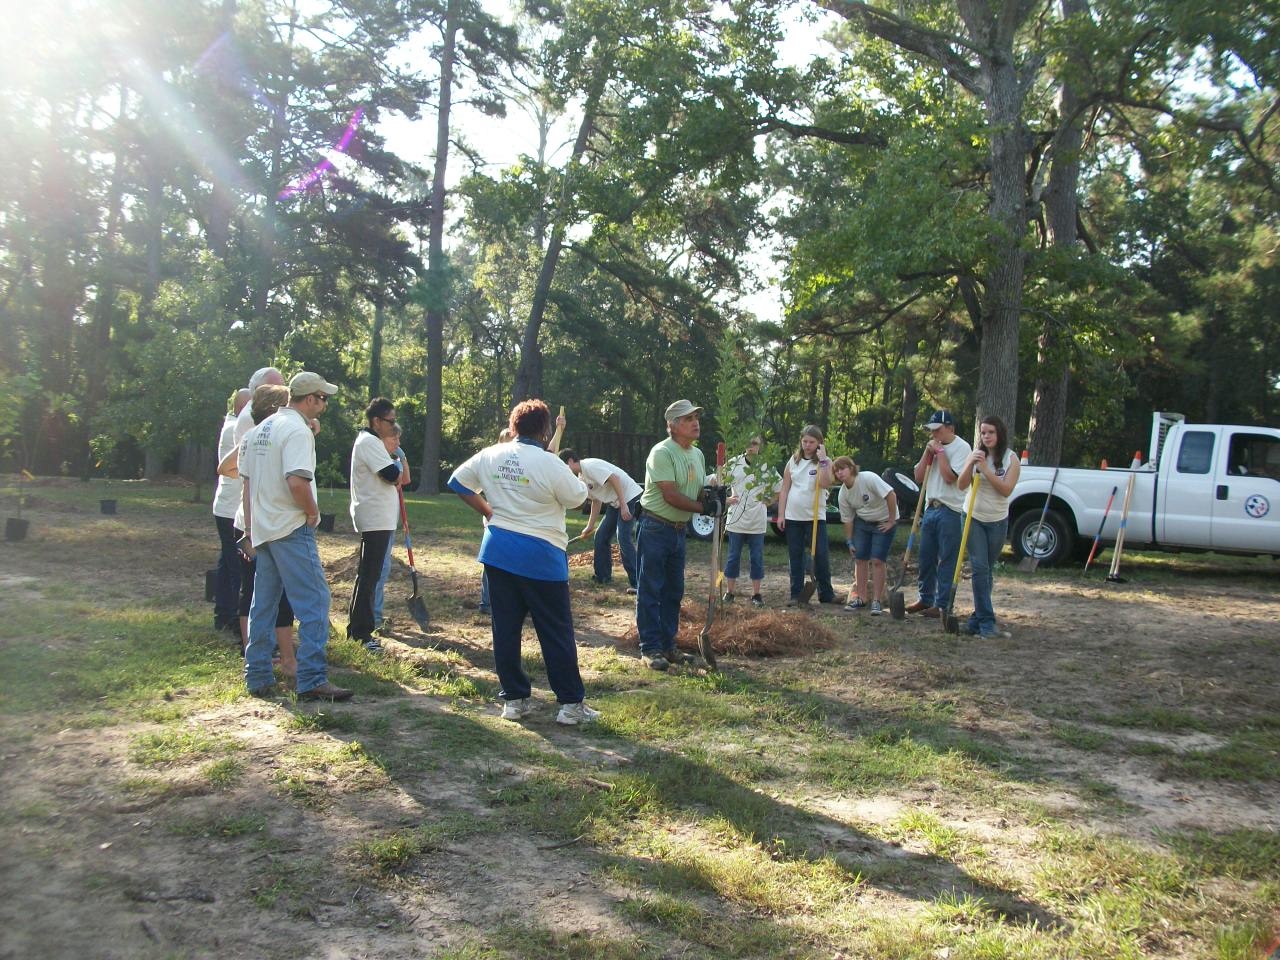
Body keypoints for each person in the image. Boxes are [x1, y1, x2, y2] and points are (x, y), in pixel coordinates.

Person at [448, 400, 600, 726]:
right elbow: (576, 498)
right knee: (555, 631)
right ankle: (571, 705)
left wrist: (489, 511)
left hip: (499, 551)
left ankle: (514, 700)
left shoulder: (490, 454)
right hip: (541, 556)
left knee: (505, 629)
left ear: (513, 425)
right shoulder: (550, 463)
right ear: (545, 430)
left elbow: (457, 482)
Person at [239, 371, 350, 701]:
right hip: (290, 526)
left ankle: (257, 674)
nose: (325, 404)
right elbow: (297, 482)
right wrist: (313, 513)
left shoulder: (258, 431)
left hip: (264, 528)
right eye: (323, 398)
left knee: (264, 605)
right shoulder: (297, 431)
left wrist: (249, 529)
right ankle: (312, 678)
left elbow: (246, 485)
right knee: (315, 601)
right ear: (310, 399)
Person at [218, 384, 297, 679]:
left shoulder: (263, 436)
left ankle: (267, 654)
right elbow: (226, 467)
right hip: (257, 525)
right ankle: (268, 655)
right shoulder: (261, 437)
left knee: (263, 592)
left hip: (259, 523)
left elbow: (230, 468)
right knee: (261, 592)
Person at [635, 399, 718, 671]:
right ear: (672, 425)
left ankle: (668, 645)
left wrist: (713, 497)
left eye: (696, 417)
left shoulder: (697, 454)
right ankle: (650, 648)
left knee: (673, 591)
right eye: (687, 418)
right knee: (651, 588)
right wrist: (703, 508)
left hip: (679, 531)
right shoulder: (662, 452)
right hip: (656, 527)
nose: (695, 423)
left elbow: (695, 491)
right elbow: (670, 495)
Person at [347, 398, 404, 652]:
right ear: (376, 421)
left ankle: (359, 629)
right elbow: (392, 475)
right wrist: (397, 468)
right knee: (369, 577)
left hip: (379, 518)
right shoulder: (370, 442)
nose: (394, 427)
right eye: (390, 421)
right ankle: (360, 632)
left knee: (370, 576)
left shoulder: (372, 441)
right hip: (374, 518)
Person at [957, 414, 1019, 638]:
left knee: (987, 571)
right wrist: (971, 466)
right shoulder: (975, 456)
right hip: (972, 517)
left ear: (999, 433)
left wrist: (986, 470)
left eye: (990, 432)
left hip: (997, 520)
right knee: (980, 567)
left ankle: (975, 619)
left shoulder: (1011, 459)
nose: (986, 436)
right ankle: (986, 622)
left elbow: (1006, 490)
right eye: (983, 432)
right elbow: (961, 485)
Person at [907, 410, 973, 618]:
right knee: (926, 557)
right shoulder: (932, 448)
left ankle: (942, 603)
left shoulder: (962, 448)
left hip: (950, 509)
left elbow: (950, 478)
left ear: (950, 428)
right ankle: (925, 598)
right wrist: (927, 453)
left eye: (938, 430)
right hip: (931, 507)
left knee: (946, 558)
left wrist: (941, 454)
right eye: (932, 431)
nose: (934, 434)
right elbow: (918, 477)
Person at [559, 449, 643, 592]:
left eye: (563, 466)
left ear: (571, 461)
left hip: (629, 498)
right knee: (601, 536)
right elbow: (596, 501)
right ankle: (602, 577)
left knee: (623, 537)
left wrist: (623, 506)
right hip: (615, 503)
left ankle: (639, 583)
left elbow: (615, 478)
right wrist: (589, 526)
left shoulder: (590, 466)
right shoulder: (582, 478)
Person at [775, 425, 836, 605]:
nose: (807, 445)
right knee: (796, 556)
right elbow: (785, 489)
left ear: (819, 443)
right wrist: (781, 514)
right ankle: (796, 594)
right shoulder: (793, 461)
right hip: (793, 517)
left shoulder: (824, 462)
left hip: (815, 517)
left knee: (821, 555)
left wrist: (824, 460)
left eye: (811, 442)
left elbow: (825, 483)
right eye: (805, 442)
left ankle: (826, 594)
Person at [833, 456, 898, 615]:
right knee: (860, 558)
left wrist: (891, 521)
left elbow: (891, 495)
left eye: (843, 469)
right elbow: (847, 519)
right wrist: (849, 541)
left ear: (851, 468)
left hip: (883, 521)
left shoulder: (868, 478)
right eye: (836, 471)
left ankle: (877, 600)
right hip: (863, 523)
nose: (840, 473)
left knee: (877, 560)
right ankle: (861, 598)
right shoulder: (843, 494)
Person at [722, 436, 779, 607]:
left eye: (754, 443)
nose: (751, 447)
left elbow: (779, 487)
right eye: (748, 443)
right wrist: (726, 499)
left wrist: (768, 501)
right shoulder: (734, 463)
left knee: (757, 558)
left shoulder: (766, 466)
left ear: (760, 446)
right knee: (733, 557)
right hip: (736, 520)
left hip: (757, 521)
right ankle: (729, 592)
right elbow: (716, 481)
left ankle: (756, 594)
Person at [211, 387, 250, 634]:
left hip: (227, 505)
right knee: (236, 568)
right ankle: (236, 619)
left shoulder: (234, 426)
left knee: (226, 564)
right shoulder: (234, 430)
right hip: (230, 508)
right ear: (240, 408)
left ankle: (223, 614)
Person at [372, 422, 409, 634]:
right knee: (379, 569)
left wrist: (401, 457)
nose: (398, 442)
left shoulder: (391, 458)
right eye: (394, 438)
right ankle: (374, 617)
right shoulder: (380, 460)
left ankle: (375, 614)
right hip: (378, 521)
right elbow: (396, 478)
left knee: (383, 568)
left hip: (388, 520)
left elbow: (406, 479)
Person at [476, 427, 515, 616]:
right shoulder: (492, 461)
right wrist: (487, 510)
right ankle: (486, 602)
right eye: (507, 440)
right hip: (494, 517)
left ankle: (510, 601)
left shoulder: (518, 462)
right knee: (491, 561)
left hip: (514, 519)